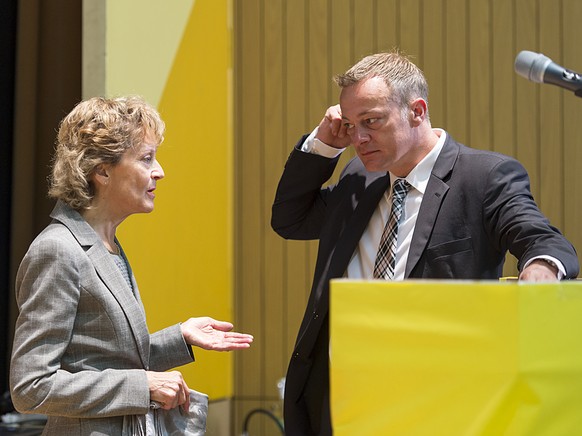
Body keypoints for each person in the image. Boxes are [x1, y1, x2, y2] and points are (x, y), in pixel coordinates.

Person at [271, 51, 579, 435]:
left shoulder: (484, 177)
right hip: (341, 397)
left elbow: (541, 239)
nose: (359, 138)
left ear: (417, 111)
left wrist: (542, 267)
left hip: (435, 402)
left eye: (371, 122)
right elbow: (290, 219)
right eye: (350, 125)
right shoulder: (358, 177)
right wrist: (322, 145)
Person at [10, 96, 254, 435]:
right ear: (102, 170)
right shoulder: (58, 250)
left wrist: (179, 337)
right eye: (146, 158)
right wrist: (142, 387)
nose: (160, 171)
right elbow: (31, 387)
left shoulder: (106, 244)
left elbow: (101, 360)